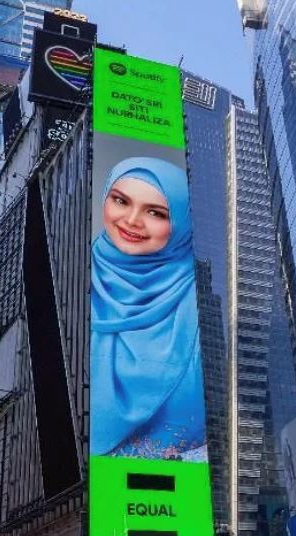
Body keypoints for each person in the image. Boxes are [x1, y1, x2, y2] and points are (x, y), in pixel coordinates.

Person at [90, 156, 206, 460]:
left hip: (184, 493)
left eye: (155, 212)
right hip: (83, 494)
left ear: (181, 221)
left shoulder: (203, 299)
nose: (131, 221)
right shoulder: (71, 274)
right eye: (121, 201)